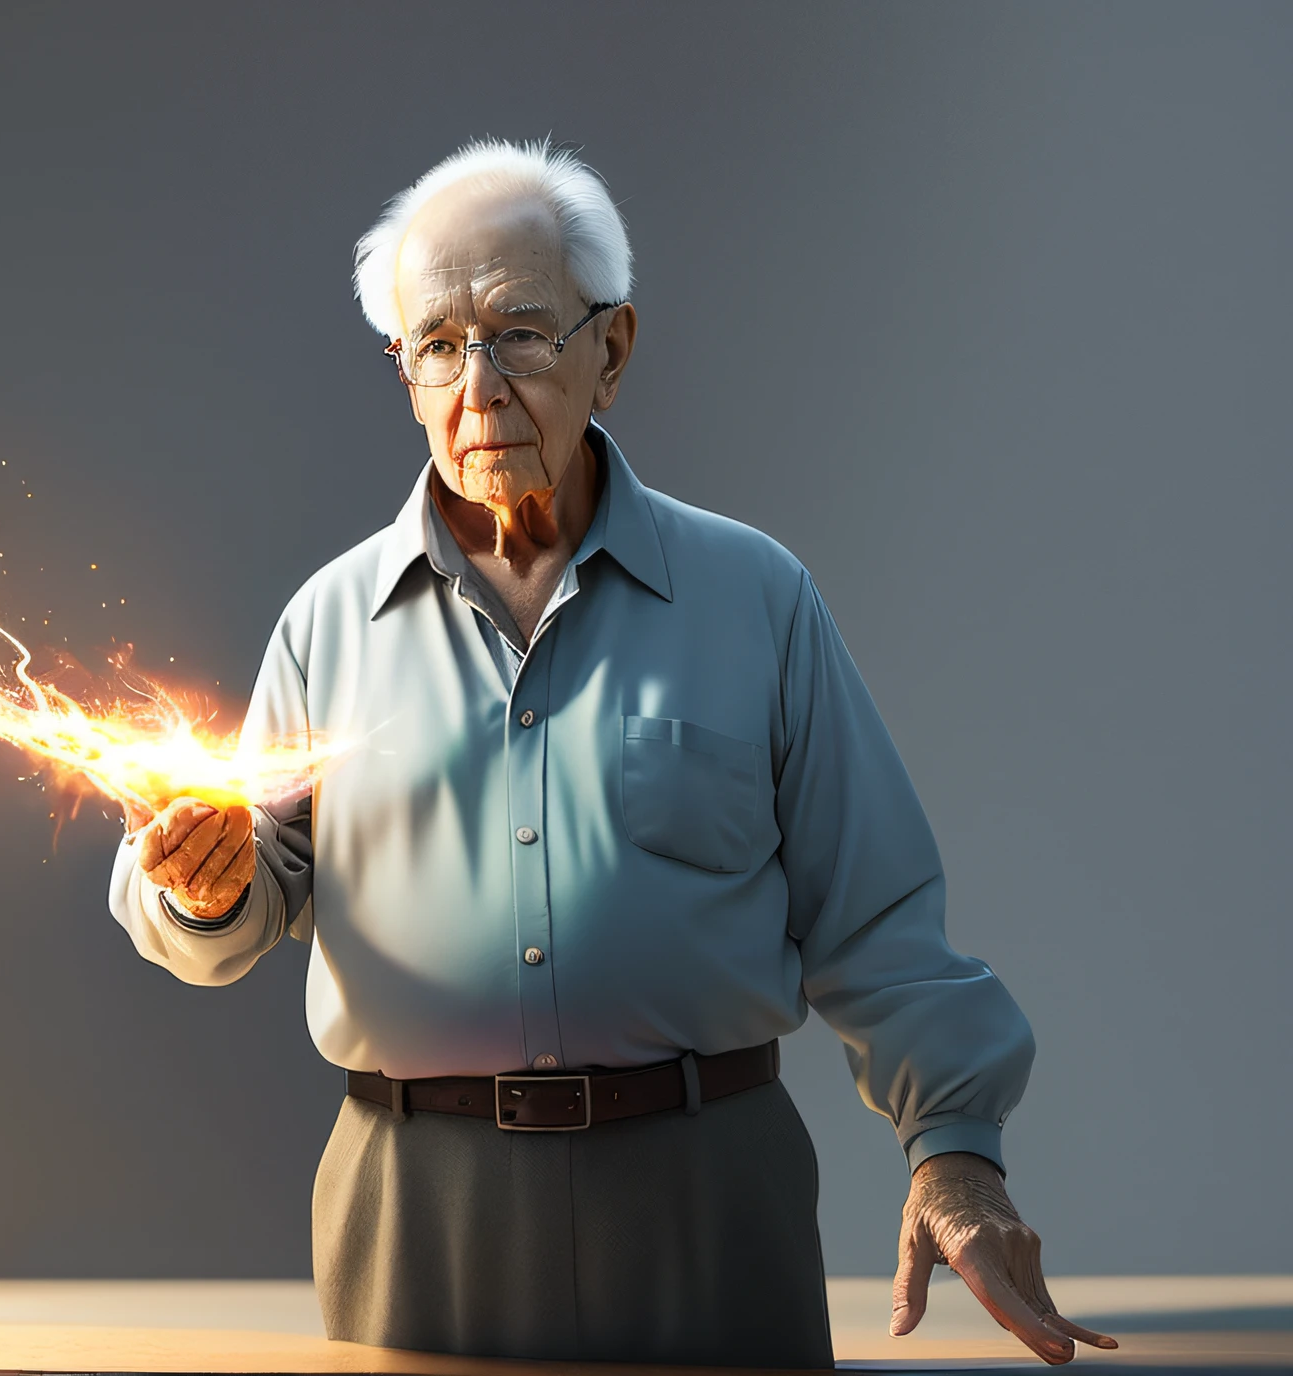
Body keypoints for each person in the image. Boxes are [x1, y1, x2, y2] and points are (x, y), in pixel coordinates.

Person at [109, 138, 1117, 1368]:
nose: (477, 385)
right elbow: (240, 896)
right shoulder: (326, 622)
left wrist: (954, 1156)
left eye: (519, 333)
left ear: (612, 350)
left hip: (706, 1190)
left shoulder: (754, 596)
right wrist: (200, 887)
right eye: (436, 345)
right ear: (405, 376)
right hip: (414, 1202)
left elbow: (880, 916)